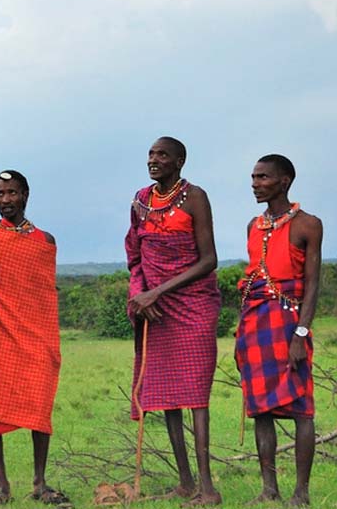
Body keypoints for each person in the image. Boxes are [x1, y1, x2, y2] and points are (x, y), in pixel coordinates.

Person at [124, 136, 222, 505]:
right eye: (150, 153)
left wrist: (158, 291)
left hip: (193, 306)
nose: (153, 160)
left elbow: (209, 259)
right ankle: (184, 482)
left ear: (179, 161)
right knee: (168, 397)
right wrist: (140, 294)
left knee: (196, 396)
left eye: (162, 155)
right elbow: (135, 254)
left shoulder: (195, 197)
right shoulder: (140, 201)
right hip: (155, 309)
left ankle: (208, 488)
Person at [0, 170, 69, 506]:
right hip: (1, 337)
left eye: (12, 193)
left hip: (40, 338)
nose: (5, 200)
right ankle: (2, 485)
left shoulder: (46, 241)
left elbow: (44, 294)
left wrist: (47, 338)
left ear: (25, 195)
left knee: (41, 408)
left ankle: (40, 482)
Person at [236, 154, 322, 507]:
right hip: (255, 323)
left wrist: (301, 334)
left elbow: (314, 284)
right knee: (260, 409)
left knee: (302, 407)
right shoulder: (252, 226)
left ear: (284, 181)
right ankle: (269, 489)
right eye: (254, 177)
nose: (255, 183)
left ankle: (300, 493)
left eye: (263, 177)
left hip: (290, 323)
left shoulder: (308, 224)